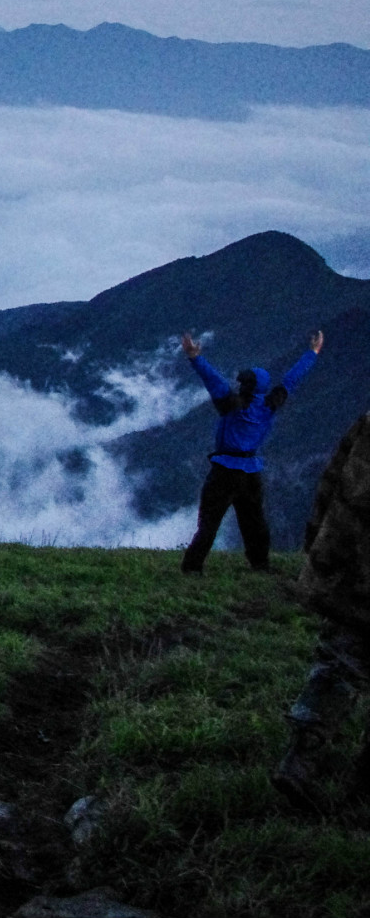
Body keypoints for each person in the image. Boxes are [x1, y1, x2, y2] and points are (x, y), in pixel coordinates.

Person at [272, 410, 369, 809]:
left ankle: (301, 759)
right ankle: (362, 792)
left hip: (349, 565)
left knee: (340, 659)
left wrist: (316, 547)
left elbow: (330, 481)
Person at [178, 329, 322, 573]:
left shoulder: (231, 405)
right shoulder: (270, 405)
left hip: (225, 471)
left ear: (245, 386)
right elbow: (292, 379)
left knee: (210, 521)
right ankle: (260, 564)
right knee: (254, 520)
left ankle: (193, 567)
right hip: (252, 471)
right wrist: (313, 352)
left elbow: (212, 380)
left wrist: (194, 357)